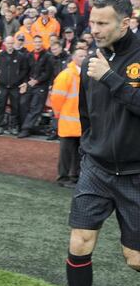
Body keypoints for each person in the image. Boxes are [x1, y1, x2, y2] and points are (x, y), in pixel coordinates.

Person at [54, 0, 140, 286]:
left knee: (135, 259)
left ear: (125, 22)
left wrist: (111, 78)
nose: (96, 29)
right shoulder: (91, 62)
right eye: (93, 22)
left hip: (137, 172)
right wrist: (91, 150)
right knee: (79, 241)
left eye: (103, 23)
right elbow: (86, 116)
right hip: (97, 167)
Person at [49, 48, 84, 188]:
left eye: (85, 55)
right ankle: (63, 177)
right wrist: (58, 115)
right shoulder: (66, 75)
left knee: (78, 153)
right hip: (69, 121)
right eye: (81, 55)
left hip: (79, 123)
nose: (84, 57)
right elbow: (56, 98)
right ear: (74, 58)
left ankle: (74, 177)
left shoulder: (82, 75)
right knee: (66, 153)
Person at [17, 35, 53, 138]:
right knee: (23, 103)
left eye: (39, 42)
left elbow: (48, 72)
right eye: (36, 42)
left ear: (42, 43)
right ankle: (25, 126)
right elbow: (25, 71)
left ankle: (26, 129)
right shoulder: (29, 55)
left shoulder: (47, 56)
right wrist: (25, 83)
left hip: (41, 85)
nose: (37, 44)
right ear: (33, 43)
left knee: (35, 107)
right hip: (29, 84)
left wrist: (37, 80)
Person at [0, 36, 27, 135]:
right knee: (1, 106)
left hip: (15, 86)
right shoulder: (0, 55)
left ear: (14, 43)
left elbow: (24, 69)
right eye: (8, 43)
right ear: (4, 44)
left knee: (15, 107)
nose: (10, 45)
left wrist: (18, 78)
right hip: (2, 85)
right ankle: (0, 126)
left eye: (11, 43)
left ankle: (14, 126)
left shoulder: (20, 56)